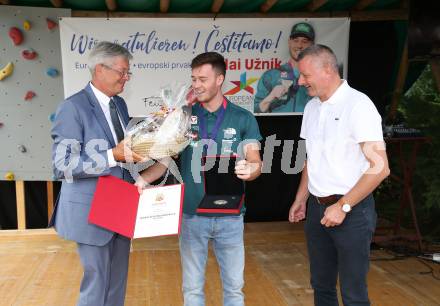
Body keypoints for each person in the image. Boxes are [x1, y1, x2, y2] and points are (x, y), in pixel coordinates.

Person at [138, 52, 262, 306]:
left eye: (203, 79)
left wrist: (252, 169)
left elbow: (255, 159)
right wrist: (143, 181)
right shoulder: (183, 117)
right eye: (193, 79)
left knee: (234, 290)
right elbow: (164, 160)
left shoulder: (242, 118)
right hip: (192, 216)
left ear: (220, 79)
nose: (196, 85)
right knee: (192, 290)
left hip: (231, 217)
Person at [288, 45, 390, 306]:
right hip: (317, 211)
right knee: (321, 287)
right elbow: (312, 160)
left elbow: (380, 168)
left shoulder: (358, 105)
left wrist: (343, 205)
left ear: (328, 70)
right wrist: (302, 198)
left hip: (352, 212)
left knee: (353, 293)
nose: (300, 81)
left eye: (305, 75)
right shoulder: (311, 108)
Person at [50, 41, 144, 306]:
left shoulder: (120, 105)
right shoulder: (72, 108)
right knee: (96, 284)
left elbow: (124, 154)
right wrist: (110, 155)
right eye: (121, 72)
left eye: (128, 73)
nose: (126, 78)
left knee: (117, 284)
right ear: (99, 69)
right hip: (91, 212)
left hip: (121, 206)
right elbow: (62, 165)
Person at [254, 22, 315, 113]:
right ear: (289, 42)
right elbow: (256, 111)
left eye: (305, 41)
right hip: (279, 127)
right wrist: (271, 96)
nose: (299, 45)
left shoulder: (319, 76)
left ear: (312, 45)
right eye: (295, 40)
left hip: (309, 126)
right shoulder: (271, 75)